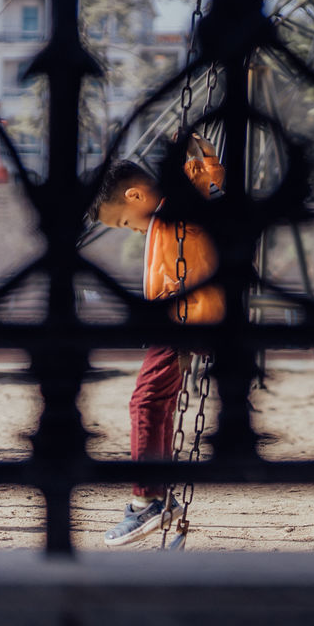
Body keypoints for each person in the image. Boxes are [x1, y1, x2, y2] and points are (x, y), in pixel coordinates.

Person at [89, 133, 225, 546]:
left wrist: (199, 153)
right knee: (159, 400)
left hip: (189, 317)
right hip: (183, 317)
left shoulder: (179, 202)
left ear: (135, 195)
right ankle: (157, 494)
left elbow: (206, 179)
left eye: (125, 221)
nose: (131, 230)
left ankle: (147, 499)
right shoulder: (170, 214)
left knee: (145, 400)